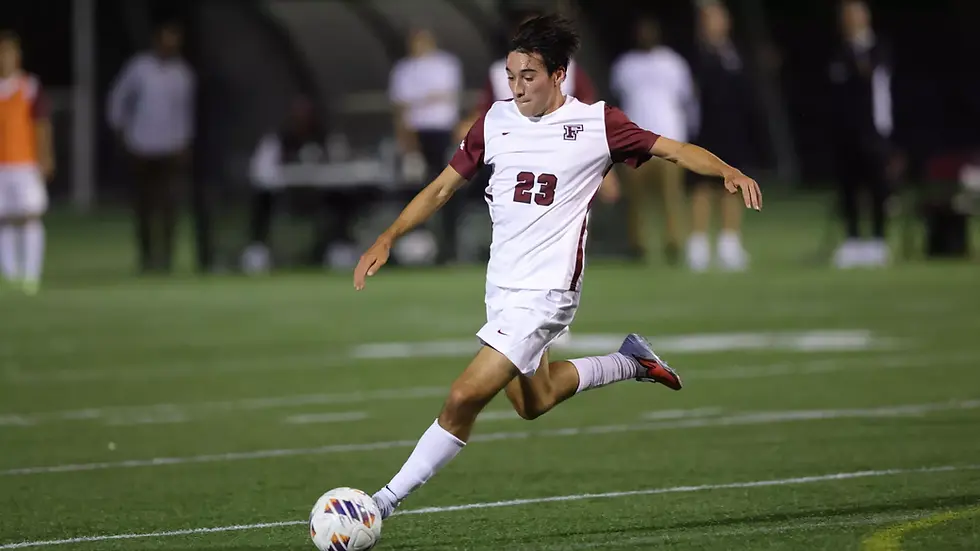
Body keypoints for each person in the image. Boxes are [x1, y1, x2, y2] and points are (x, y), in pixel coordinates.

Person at [353, 14, 762, 520]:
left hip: (546, 295)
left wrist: (726, 169)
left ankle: (378, 505)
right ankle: (630, 362)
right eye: (511, 76)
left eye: (529, 77)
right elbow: (441, 188)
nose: (518, 88)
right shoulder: (494, 121)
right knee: (534, 400)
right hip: (501, 289)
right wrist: (388, 236)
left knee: (462, 397)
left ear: (558, 75)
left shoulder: (596, 124)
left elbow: (672, 150)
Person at [107, 21, 195, 274]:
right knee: (143, 206)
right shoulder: (139, 68)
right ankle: (146, 257)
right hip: (142, 147)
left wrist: (185, 142)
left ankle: (167, 258)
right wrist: (121, 132)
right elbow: (118, 99)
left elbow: (185, 113)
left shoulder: (183, 73)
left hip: (171, 148)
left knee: (170, 206)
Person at [610, 16, 697, 263]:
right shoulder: (625, 65)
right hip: (635, 142)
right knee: (636, 199)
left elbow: (686, 100)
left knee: (671, 196)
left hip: (669, 138)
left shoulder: (673, 63)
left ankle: (673, 242)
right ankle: (638, 245)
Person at [687, 0, 760, 272]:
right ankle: (698, 245)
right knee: (702, 187)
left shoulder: (735, 55)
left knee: (732, 184)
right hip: (704, 131)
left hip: (733, 131)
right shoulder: (695, 56)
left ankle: (729, 243)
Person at [829, 0, 895, 268]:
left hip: (874, 131)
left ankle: (878, 241)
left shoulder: (879, 48)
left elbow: (876, 83)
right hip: (846, 132)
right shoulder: (839, 52)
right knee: (849, 187)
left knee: (878, 187)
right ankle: (853, 240)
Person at [388, 28, 463, 264]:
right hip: (415, 135)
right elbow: (400, 108)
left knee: (446, 189)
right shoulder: (403, 69)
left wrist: (418, 101)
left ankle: (448, 247)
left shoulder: (447, 65)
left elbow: (448, 98)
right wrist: (406, 142)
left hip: (441, 133)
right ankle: (412, 246)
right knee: (415, 189)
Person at [0, 30, 53, 296]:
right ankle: (10, 274)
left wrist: (45, 156)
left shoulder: (29, 86)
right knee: (4, 219)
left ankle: (31, 274)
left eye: (9, 52)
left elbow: (41, 123)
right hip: (1, 165)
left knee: (30, 216)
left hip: (24, 163)